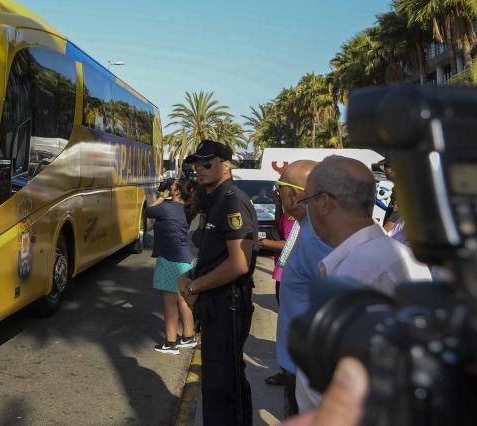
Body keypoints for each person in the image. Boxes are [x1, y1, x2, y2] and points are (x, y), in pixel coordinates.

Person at [294, 156, 432, 413]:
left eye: (307, 201)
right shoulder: (384, 256)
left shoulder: (360, 272)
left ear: (324, 203)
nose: (306, 210)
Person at [177, 140, 257, 426]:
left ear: (227, 165)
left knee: (223, 387)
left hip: (229, 306)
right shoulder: (215, 201)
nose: (199, 168)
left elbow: (238, 263)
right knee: (216, 383)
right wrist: (192, 275)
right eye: (196, 163)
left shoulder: (232, 201)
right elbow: (214, 255)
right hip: (216, 305)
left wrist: (195, 287)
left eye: (207, 163)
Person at [267, 160, 320, 417]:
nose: (276, 194)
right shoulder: (308, 228)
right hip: (296, 363)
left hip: (306, 367)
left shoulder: (318, 238)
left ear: (294, 194)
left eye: (279, 188)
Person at [145, 178, 197, 354]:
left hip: (169, 258)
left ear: (176, 191)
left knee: (169, 301)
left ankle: (170, 341)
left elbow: (148, 210)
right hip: (186, 258)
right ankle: (188, 337)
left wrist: (162, 196)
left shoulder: (168, 208)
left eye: (172, 186)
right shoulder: (187, 209)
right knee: (183, 298)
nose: (169, 187)